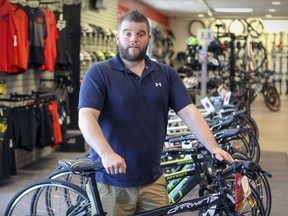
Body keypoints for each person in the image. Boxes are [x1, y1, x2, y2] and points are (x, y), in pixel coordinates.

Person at [78, 10, 233, 216]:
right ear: (118, 37)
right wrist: (106, 154)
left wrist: (213, 147)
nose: (134, 39)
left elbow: (189, 112)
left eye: (140, 34)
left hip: (153, 180)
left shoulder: (166, 74)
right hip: (111, 182)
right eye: (127, 33)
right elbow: (86, 117)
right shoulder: (99, 73)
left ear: (149, 38)